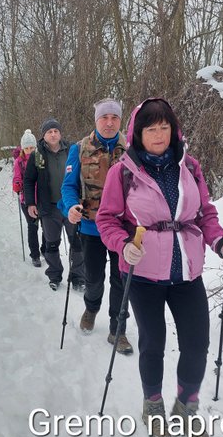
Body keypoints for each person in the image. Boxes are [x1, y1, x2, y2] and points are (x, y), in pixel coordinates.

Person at [95, 98, 223, 437]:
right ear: (138, 134)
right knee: (153, 343)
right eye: (151, 129)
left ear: (174, 130)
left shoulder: (189, 166)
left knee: (197, 344)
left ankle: (186, 407)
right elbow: (107, 219)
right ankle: (153, 406)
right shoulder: (123, 172)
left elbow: (204, 213)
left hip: (186, 273)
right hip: (143, 273)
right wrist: (122, 244)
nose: (159, 135)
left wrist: (219, 242)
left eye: (165, 127)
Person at [59, 98, 133, 355]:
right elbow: (68, 186)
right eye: (104, 117)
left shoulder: (132, 149)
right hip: (92, 228)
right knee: (94, 279)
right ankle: (91, 308)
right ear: (96, 120)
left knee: (121, 280)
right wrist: (71, 206)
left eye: (115, 117)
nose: (109, 122)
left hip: (123, 230)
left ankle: (118, 329)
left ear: (120, 120)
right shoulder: (79, 149)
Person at [23, 118, 85, 291]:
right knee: (51, 244)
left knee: (78, 243)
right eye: (49, 132)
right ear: (43, 135)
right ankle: (55, 276)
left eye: (56, 131)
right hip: (49, 207)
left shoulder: (72, 150)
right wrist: (31, 203)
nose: (53, 134)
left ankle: (78, 277)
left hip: (71, 206)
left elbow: (83, 174)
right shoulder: (37, 154)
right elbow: (29, 180)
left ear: (60, 133)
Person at [12, 129, 45, 267]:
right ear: (22, 149)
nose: (29, 151)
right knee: (33, 226)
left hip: (42, 198)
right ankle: (35, 255)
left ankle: (45, 249)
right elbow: (16, 177)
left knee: (46, 226)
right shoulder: (19, 162)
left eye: (32, 148)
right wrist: (17, 184)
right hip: (27, 200)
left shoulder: (39, 158)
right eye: (26, 148)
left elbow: (44, 174)